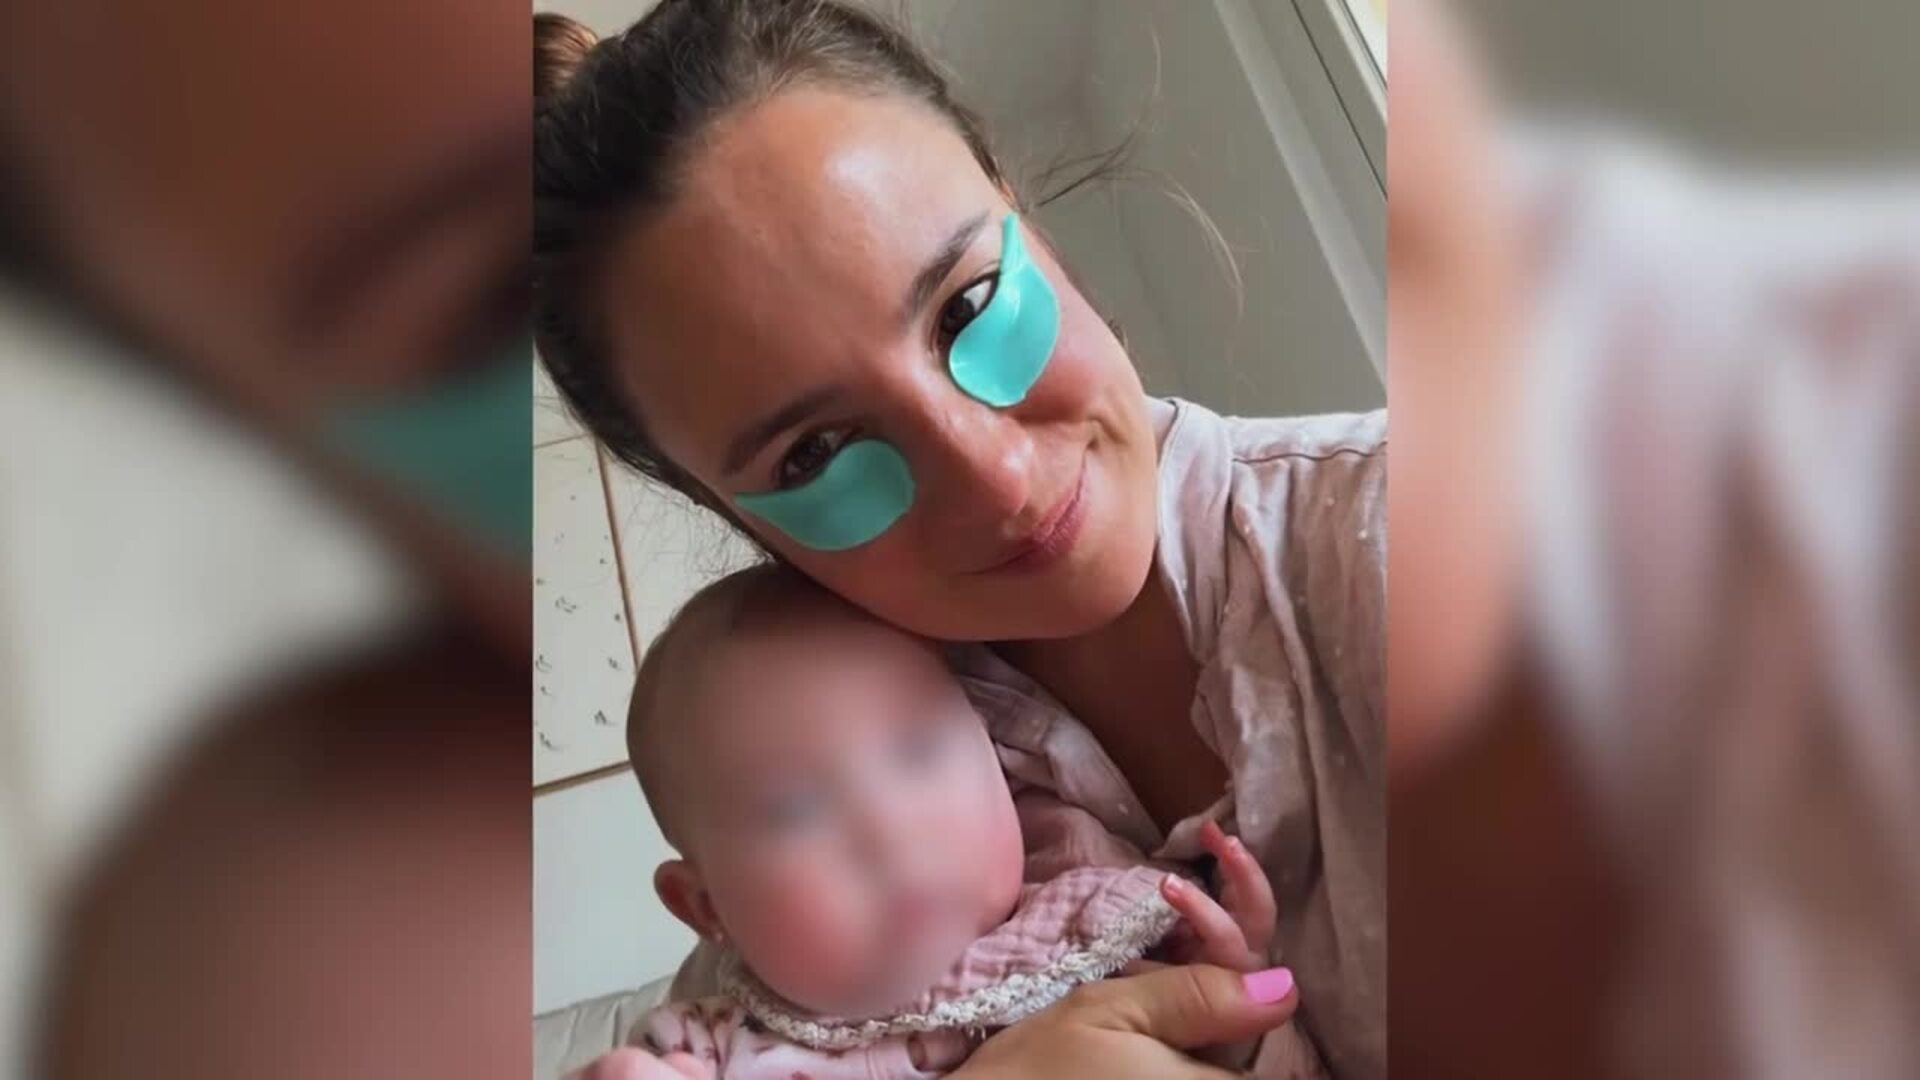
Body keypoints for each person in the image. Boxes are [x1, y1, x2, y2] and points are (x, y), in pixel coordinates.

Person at [532, 3, 1386, 1078]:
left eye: (969, 305)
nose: (999, 481)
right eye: (813, 453)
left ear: (1016, 202)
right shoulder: (773, 927)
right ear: (729, 510)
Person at [611, 563, 1312, 1077]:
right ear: (705, 907)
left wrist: (1236, 1021)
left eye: (917, 750)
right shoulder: (705, 1052)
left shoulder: (1108, 936)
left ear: (996, 753)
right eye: (793, 809)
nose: (888, 831)